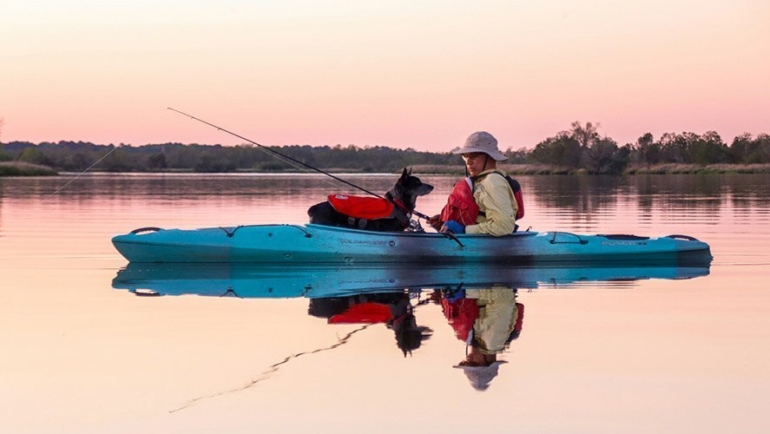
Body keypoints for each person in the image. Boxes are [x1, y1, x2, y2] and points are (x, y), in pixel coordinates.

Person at [427, 131, 518, 236]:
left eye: (473, 156)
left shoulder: (493, 181)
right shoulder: (482, 180)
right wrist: (444, 219)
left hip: (488, 247)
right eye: (465, 156)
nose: (468, 162)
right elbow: (480, 214)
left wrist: (464, 230)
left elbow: (504, 226)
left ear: (489, 157)